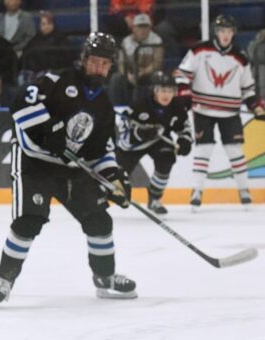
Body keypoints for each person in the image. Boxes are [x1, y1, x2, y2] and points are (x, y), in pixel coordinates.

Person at [0, 32, 137, 303]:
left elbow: (101, 151)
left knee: (99, 219)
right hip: (34, 161)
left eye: (104, 63)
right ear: (83, 59)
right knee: (29, 220)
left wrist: (114, 178)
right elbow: (19, 103)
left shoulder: (104, 107)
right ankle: (5, 279)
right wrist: (48, 130)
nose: (98, 67)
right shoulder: (56, 80)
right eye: (94, 61)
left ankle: (105, 276)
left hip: (70, 168)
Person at [176, 14, 265, 210]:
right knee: (203, 150)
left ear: (234, 33)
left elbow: (248, 88)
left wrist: (255, 106)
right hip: (203, 110)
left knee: (235, 151)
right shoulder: (199, 50)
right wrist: (184, 93)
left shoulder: (240, 57)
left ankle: (244, 191)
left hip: (230, 112)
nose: (225, 35)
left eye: (229, 31)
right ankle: (197, 190)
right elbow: (182, 73)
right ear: (216, 32)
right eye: (222, 31)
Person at [116, 71, 193, 215]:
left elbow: (185, 129)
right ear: (155, 91)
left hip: (159, 141)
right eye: (163, 90)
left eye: (170, 91)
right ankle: (100, 196)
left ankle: (154, 198)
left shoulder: (177, 107)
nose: (166, 95)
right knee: (118, 174)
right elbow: (123, 133)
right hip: (132, 146)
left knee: (167, 159)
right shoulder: (139, 106)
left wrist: (185, 141)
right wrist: (140, 134)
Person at [110, 13, 164, 105]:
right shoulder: (126, 42)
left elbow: (157, 62)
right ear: (133, 28)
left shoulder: (156, 40)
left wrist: (143, 72)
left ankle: (155, 107)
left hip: (148, 73)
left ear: (150, 28)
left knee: (158, 76)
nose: (143, 30)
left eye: (146, 27)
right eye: (140, 27)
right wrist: (128, 75)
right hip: (130, 73)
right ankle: (117, 107)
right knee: (116, 78)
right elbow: (121, 63)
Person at [19, 11, 75, 85]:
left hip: (54, 71)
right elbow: (27, 56)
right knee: (22, 77)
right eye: (43, 24)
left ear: (53, 24)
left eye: (49, 24)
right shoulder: (34, 40)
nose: (46, 27)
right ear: (39, 26)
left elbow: (67, 58)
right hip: (35, 71)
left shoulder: (61, 40)